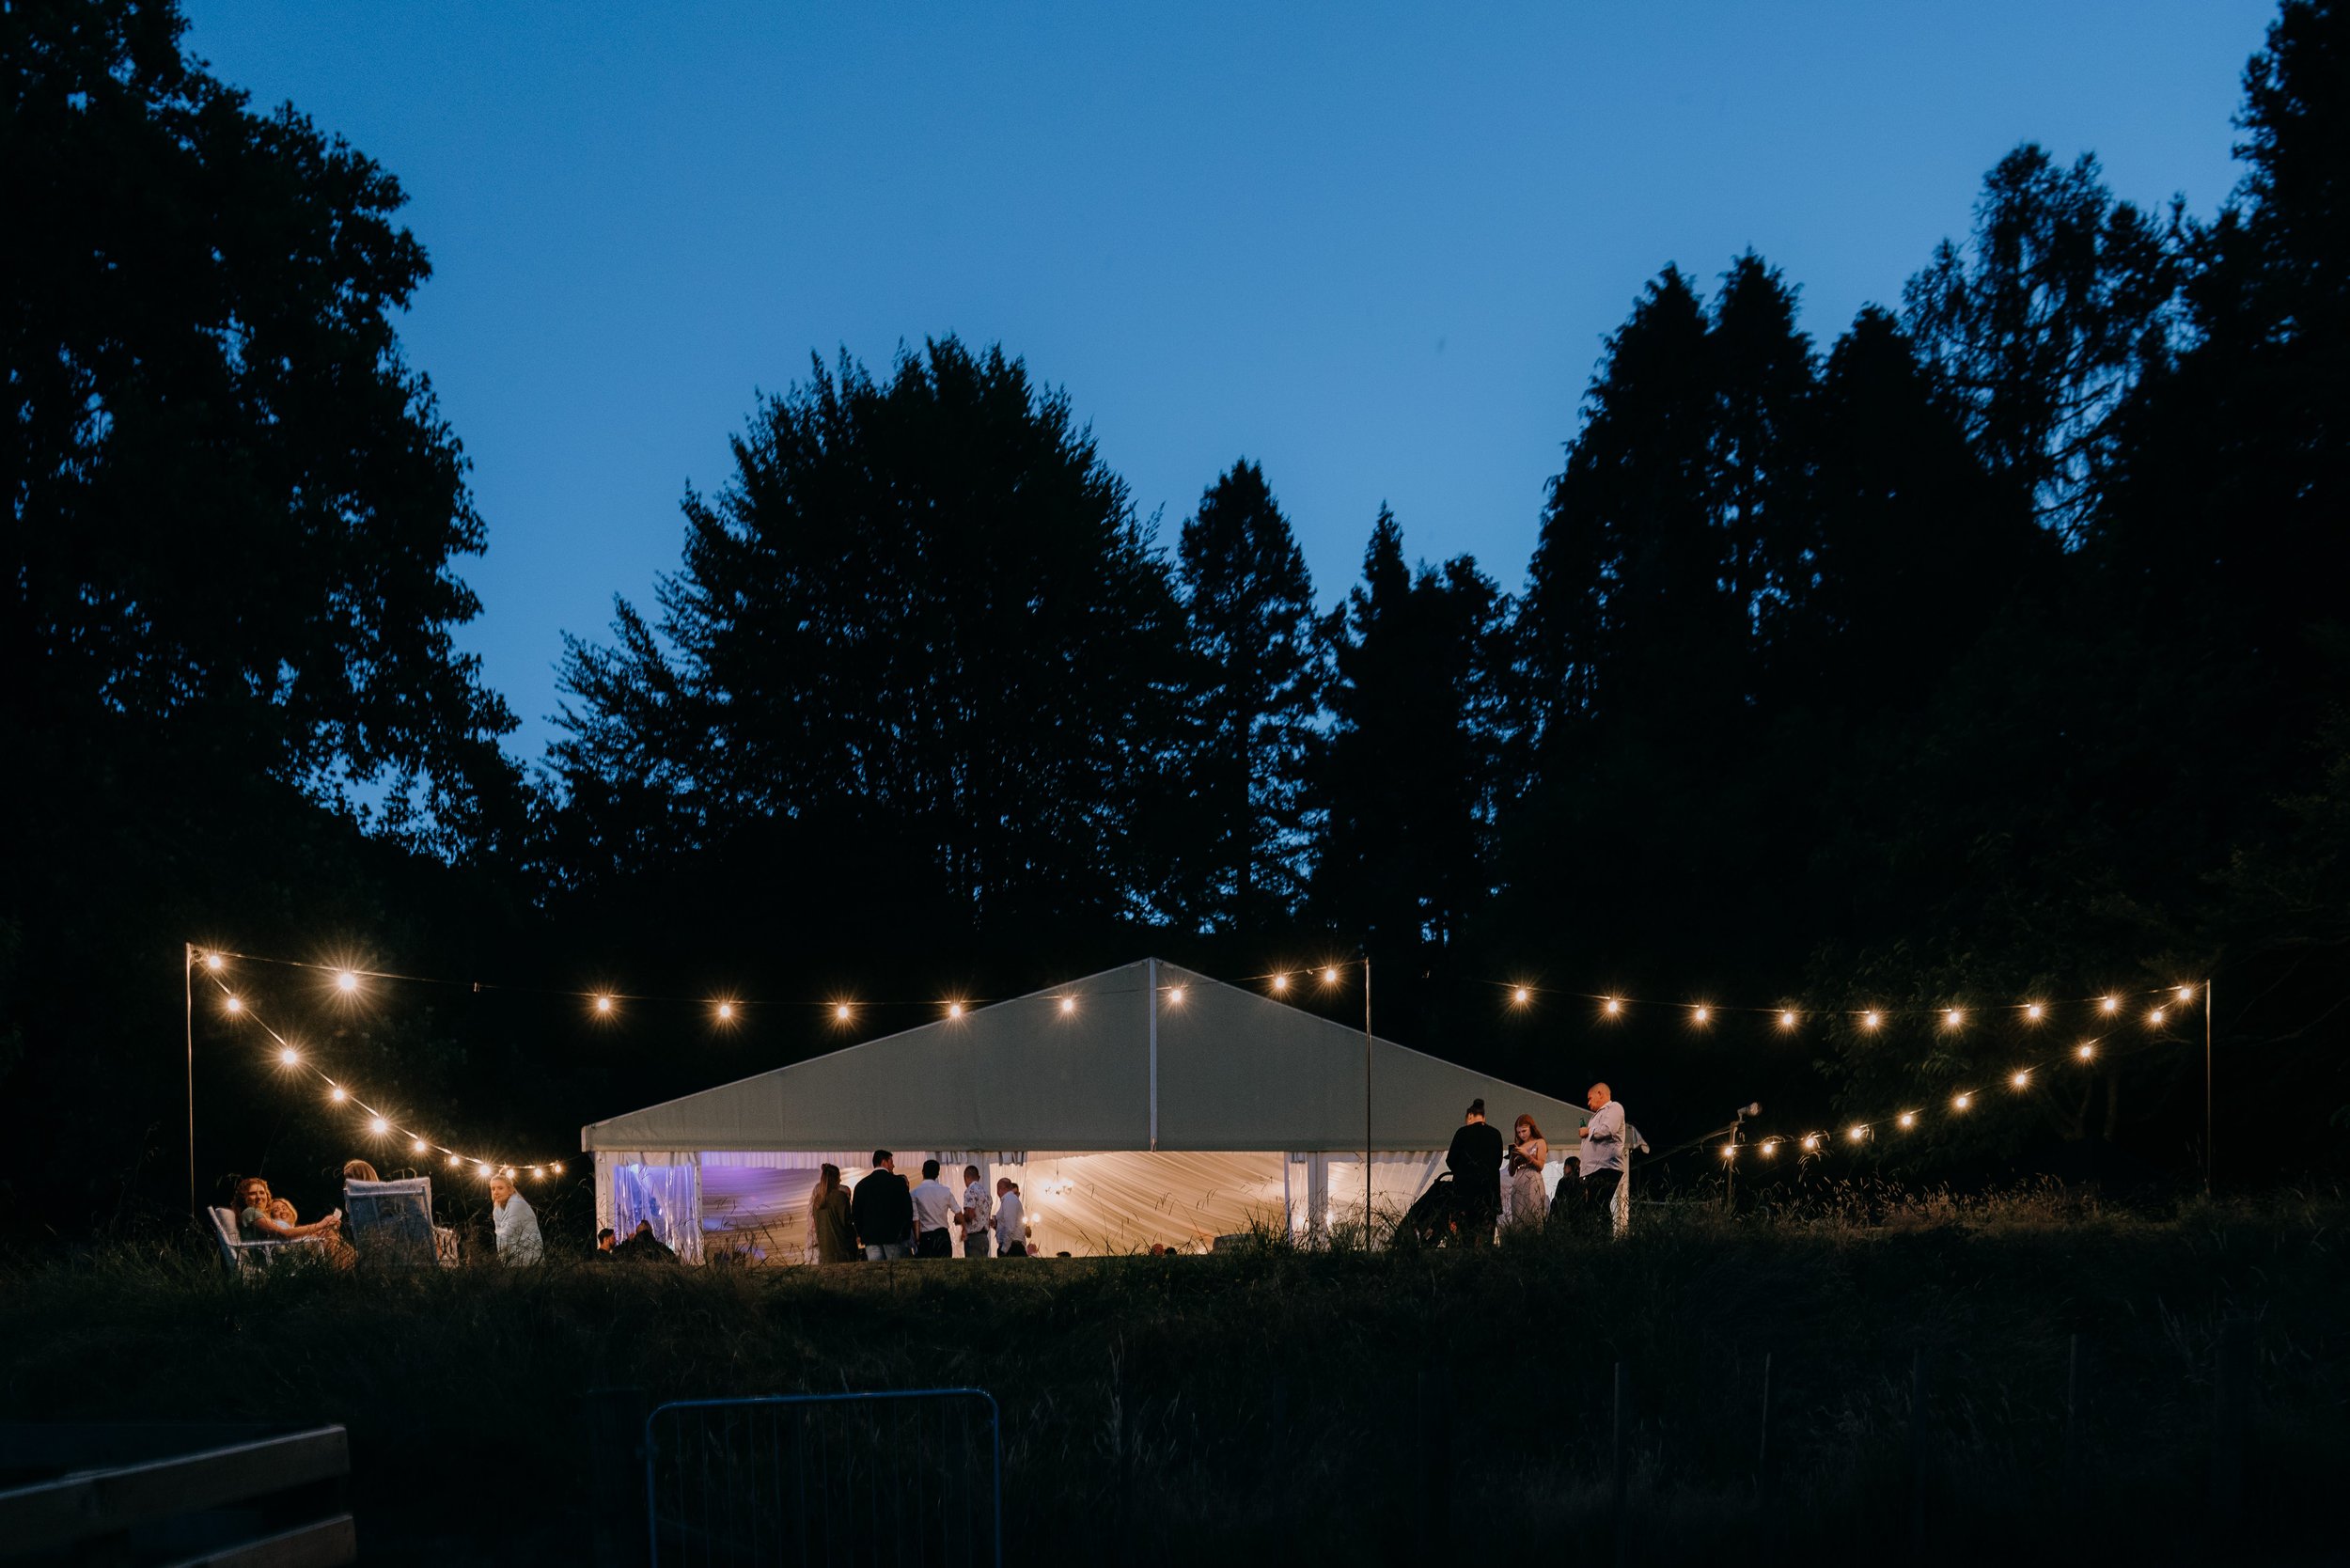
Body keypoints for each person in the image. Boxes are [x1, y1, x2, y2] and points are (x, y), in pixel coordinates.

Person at [232, 1177, 350, 1263]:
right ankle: (351, 1273)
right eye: (253, 1194)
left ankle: (350, 1269)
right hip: (277, 1259)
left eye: (262, 1192)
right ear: (244, 1197)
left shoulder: (260, 1215)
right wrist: (321, 1224)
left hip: (280, 1253)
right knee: (329, 1237)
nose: (259, 1197)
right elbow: (284, 1234)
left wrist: (319, 1230)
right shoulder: (250, 1212)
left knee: (328, 1233)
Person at [1444, 1098, 1504, 1244]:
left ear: (1470, 1116)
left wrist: (1462, 1171)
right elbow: (1498, 1162)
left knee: (1466, 1237)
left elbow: (1450, 1160)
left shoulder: (1462, 1133)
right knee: (1485, 1237)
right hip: (1488, 1194)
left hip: (1465, 1194)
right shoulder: (1496, 1134)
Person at [1578, 1083, 1627, 1231]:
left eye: (1590, 1098)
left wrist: (1588, 1131)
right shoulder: (1596, 1116)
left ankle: (1604, 1240)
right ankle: (1596, 1238)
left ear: (1600, 1093)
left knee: (1599, 1204)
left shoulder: (1614, 1108)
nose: (1588, 1103)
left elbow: (1608, 1129)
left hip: (1606, 1167)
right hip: (1595, 1168)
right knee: (1593, 1206)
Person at [851, 1150, 914, 1261]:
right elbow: (907, 1210)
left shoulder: (861, 1186)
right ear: (884, 1162)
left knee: (876, 1273)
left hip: (871, 1238)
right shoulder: (898, 1183)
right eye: (891, 1162)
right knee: (893, 1271)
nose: (893, 1165)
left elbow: (856, 1214)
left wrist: (862, 1234)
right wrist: (905, 1234)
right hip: (893, 1237)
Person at [488, 1172, 543, 1265]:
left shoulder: (517, 1204)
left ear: (510, 1190)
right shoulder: (497, 1209)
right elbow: (500, 1236)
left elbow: (507, 1233)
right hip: (512, 1259)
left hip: (529, 1258)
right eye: (493, 1189)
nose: (495, 1192)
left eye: (500, 1188)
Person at [1507, 1113, 1549, 1230]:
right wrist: (1512, 1158)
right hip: (1519, 1179)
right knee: (1519, 1214)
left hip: (1533, 1178)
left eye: (1524, 1131)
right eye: (1519, 1132)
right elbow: (1511, 1172)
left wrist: (1527, 1156)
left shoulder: (1540, 1142)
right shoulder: (1520, 1145)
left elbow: (1540, 1165)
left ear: (1531, 1128)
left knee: (1533, 1212)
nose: (1521, 1135)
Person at [808, 1163, 855, 1264]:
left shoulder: (817, 1201)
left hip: (824, 1256)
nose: (840, 1180)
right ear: (834, 1179)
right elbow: (847, 1225)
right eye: (839, 1177)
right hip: (842, 1254)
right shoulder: (840, 1197)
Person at [909, 1158, 956, 1258]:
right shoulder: (945, 1191)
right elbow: (958, 1210)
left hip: (926, 1236)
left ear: (923, 1172)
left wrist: (917, 1240)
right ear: (937, 1174)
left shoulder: (915, 1193)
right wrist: (964, 1227)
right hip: (943, 1235)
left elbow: (916, 1218)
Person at [958, 1164, 993, 1258]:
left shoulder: (970, 1190)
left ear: (966, 1177)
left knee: (973, 1269)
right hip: (984, 1237)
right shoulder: (986, 1193)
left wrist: (959, 1218)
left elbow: (970, 1214)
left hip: (974, 1238)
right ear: (979, 1177)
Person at [612, 1218, 677, 1262]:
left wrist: (627, 1242)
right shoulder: (659, 1247)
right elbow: (672, 1259)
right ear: (650, 1231)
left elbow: (615, 1255)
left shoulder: (630, 1247)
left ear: (636, 1233)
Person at [993, 1176, 1026, 1257]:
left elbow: (1010, 1227)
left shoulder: (1009, 1200)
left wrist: (1004, 1249)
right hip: (1011, 1245)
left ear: (1000, 1189)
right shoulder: (1009, 1200)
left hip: (1012, 1247)